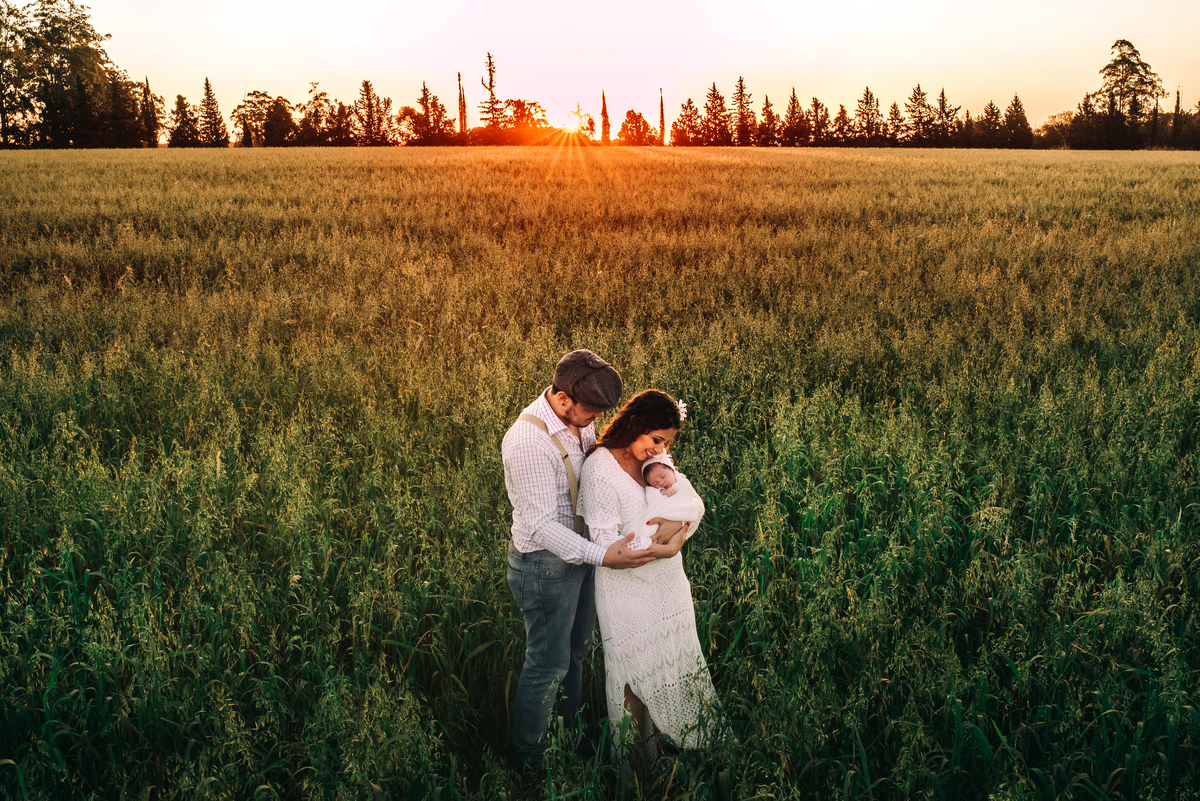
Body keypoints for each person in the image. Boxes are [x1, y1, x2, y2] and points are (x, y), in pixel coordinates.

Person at [501, 350, 677, 770]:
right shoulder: (527, 442)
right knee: (547, 663)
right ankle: (529, 760)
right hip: (543, 565)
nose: (595, 418)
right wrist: (603, 555)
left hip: (579, 557)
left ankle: (570, 736)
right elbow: (542, 526)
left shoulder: (580, 416)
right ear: (563, 399)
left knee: (576, 651)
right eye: (591, 411)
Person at [576, 389, 719, 771]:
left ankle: (657, 757)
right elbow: (604, 543)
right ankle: (632, 771)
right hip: (625, 586)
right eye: (657, 439)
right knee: (631, 677)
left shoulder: (654, 459)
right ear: (636, 424)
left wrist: (674, 539)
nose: (660, 450)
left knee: (668, 665)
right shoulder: (599, 468)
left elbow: (691, 502)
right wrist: (665, 543)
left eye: (666, 443)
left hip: (667, 583)